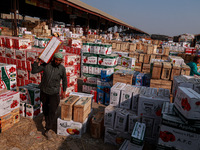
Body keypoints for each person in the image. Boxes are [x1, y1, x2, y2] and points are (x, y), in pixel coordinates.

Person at [31, 52, 67, 140]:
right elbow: (34, 71)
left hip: (54, 93)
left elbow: (64, 80)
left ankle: (47, 129)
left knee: (52, 110)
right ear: (53, 59)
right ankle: (46, 118)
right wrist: (37, 60)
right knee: (46, 109)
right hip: (44, 91)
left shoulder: (62, 69)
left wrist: (64, 91)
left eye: (59, 60)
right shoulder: (46, 65)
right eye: (56, 60)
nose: (58, 61)